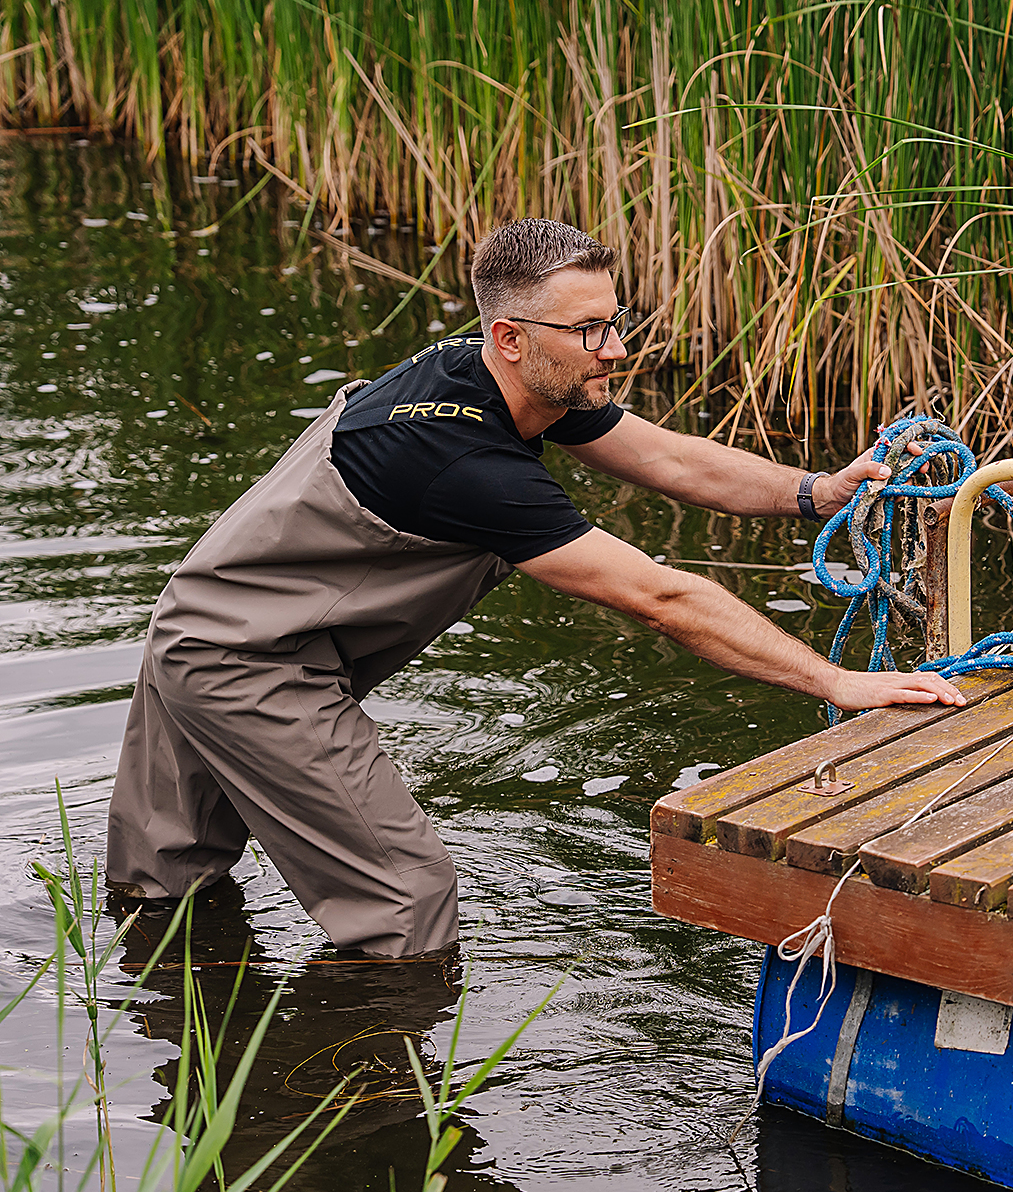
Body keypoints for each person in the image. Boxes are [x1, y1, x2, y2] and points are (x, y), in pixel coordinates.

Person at [106, 219, 964, 960]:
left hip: (195, 624)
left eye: (614, 321)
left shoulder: (502, 372)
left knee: (164, 890)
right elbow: (661, 597)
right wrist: (834, 680)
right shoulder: (466, 463)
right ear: (512, 337)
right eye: (589, 331)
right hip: (249, 666)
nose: (616, 349)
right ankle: (369, 1083)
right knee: (406, 906)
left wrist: (816, 491)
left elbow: (667, 459)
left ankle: (174, 1047)